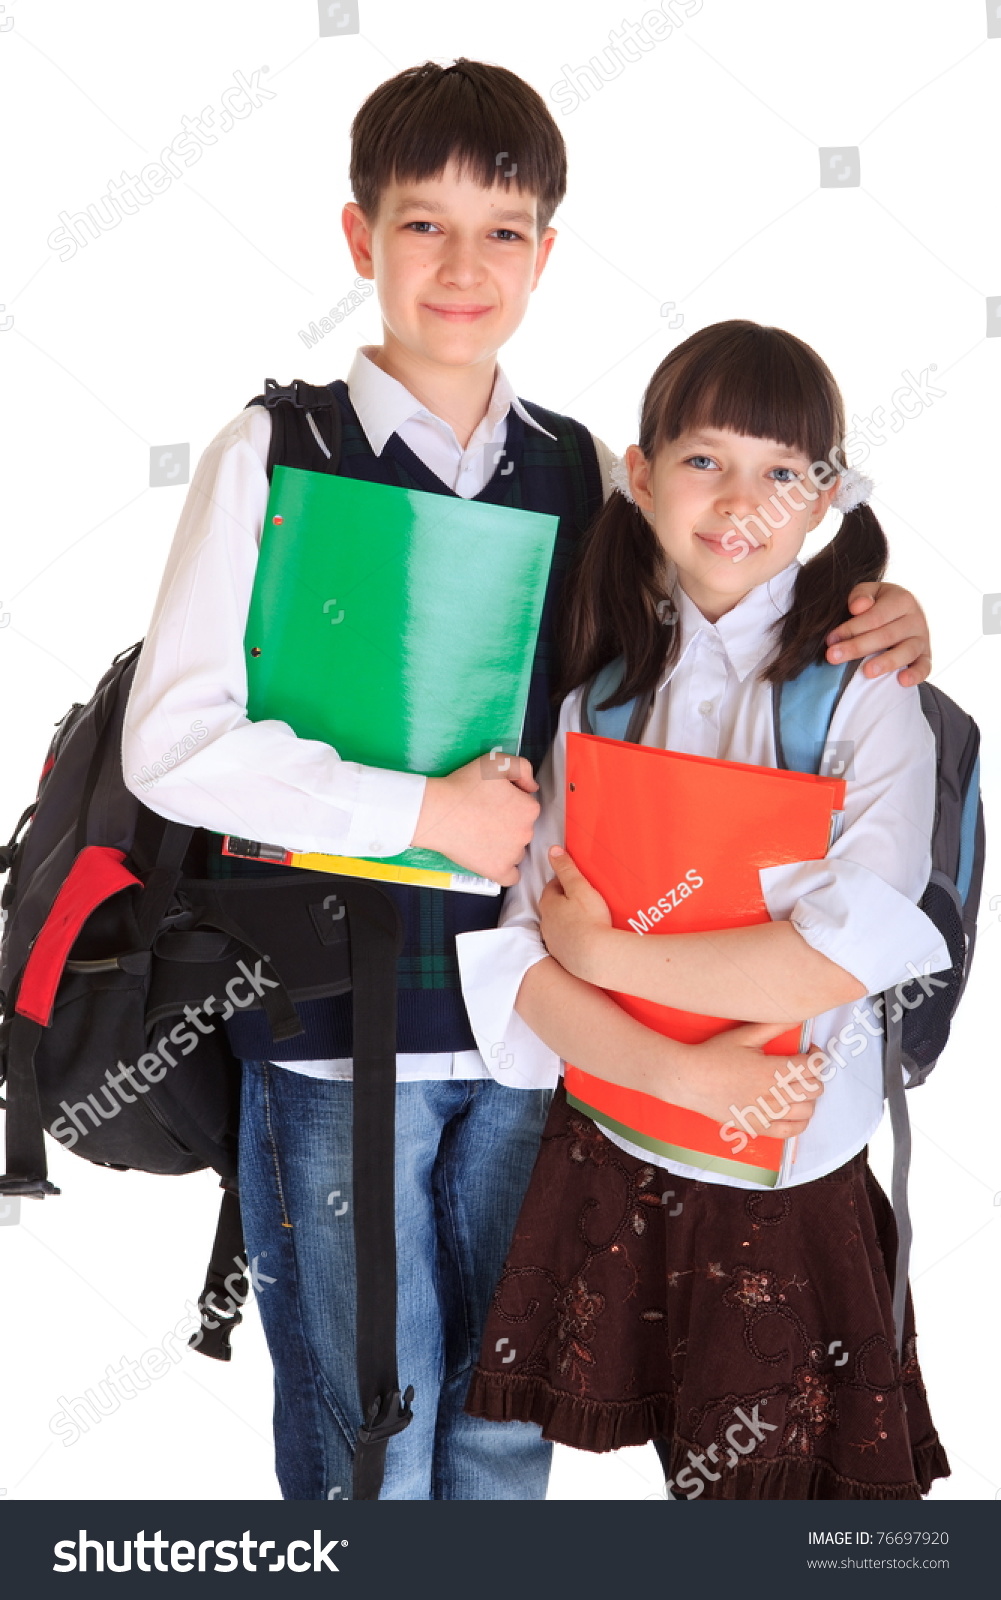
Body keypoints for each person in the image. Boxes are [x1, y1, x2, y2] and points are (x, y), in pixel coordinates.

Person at [122, 56, 934, 1502]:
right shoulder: (277, 449)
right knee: (369, 1408)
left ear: (546, 256)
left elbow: (727, 579)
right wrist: (427, 814)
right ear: (360, 239)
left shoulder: (578, 472)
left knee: (503, 1418)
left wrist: (884, 610)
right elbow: (173, 746)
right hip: (327, 1023)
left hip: (534, 1035)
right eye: (422, 224)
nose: (461, 264)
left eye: (502, 230)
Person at [458, 319, 951, 1499]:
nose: (740, 500)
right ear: (637, 472)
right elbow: (525, 959)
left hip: (781, 1189)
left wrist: (610, 951)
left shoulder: (866, 689)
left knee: (776, 1503)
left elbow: (840, 956)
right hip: (616, 1152)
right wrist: (679, 1074)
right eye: (703, 460)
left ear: (825, 497)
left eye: (783, 471)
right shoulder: (602, 688)